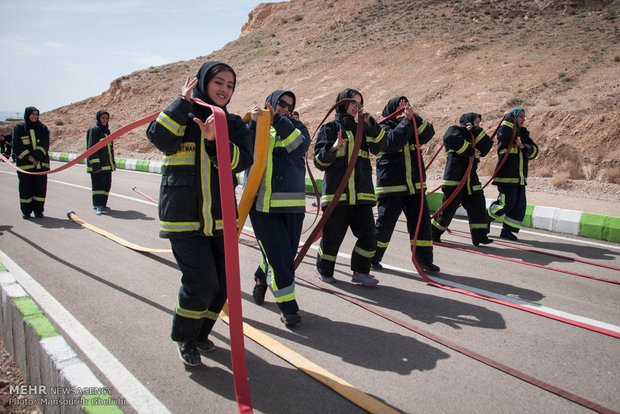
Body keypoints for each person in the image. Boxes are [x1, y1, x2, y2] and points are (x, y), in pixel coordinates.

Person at [146, 61, 253, 366]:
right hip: (184, 219)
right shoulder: (183, 115)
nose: (224, 89)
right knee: (201, 283)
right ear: (204, 82)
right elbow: (158, 138)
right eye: (219, 82)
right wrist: (182, 103)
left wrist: (212, 141)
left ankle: (200, 333)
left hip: (220, 220)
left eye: (230, 85)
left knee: (223, 284)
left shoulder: (232, 124)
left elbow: (241, 160)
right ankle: (184, 337)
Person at [247, 90, 311, 327]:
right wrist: (254, 124)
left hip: (293, 208)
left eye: (289, 105)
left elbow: (299, 147)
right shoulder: (254, 126)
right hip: (263, 207)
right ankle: (288, 307)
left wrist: (278, 120)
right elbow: (243, 151)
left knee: (283, 256)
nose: (284, 107)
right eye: (281, 104)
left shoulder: (297, 128)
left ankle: (260, 278)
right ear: (269, 104)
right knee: (280, 259)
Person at [313, 88, 386, 286]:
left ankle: (361, 271)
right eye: (353, 102)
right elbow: (319, 162)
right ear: (342, 103)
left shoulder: (362, 128)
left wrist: (371, 123)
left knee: (369, 236)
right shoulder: (329, 128)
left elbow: (380, 147)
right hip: (337, 197)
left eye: (359, 103)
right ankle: (323, 269)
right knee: (332, 239)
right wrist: (334, 147)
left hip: (362, 197)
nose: (357, 106)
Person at [371, 96, 440, 274]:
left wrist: (413, 118)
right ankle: (372, 257)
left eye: (406, 106)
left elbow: (429, 132)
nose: (403, 110)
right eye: (399, 107)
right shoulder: (383, 127)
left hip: (415, 187)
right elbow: (393, 143)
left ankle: (424, 261)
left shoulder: (411, 124)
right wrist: (406, 123)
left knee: (421, 225)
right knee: (384, 226)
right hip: (392, 188)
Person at [431, 113, 494, 246]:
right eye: (475, 123)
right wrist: (470, 150)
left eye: (478, 123)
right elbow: (449, 138)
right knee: (447, 211)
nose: (477, 125)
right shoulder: (455, 130)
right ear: (467, 122)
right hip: (455, 180)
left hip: (471, 181)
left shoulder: (476, 134)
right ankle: (433, 233)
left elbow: (487, 147)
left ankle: (480, 236)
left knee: (478, 207)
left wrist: (477, 131)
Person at [487, 108, 538, 240]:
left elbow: (535, 151)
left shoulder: (524, 134)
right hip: (506, 177)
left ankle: (507, 231)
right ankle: (483, 221)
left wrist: (524, 147)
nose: (523, 119)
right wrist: (508, 118)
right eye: (520, 116)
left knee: (518, 205)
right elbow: (505, 136)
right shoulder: (506, 130)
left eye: (524, 117)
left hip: (519, 179)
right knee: (506, 204)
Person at [12, 107, 49, 219]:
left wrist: (36, 157)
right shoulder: (19, 128)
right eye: (32, 114)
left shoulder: (43, 128)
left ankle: (38, 211)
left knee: (40, 189)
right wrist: (29, 157)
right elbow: (17, 145)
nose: (34, 116)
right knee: (25, 189)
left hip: (41, 165)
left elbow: (44, 144)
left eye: (36, 114)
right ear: (27, 115)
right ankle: (26, 211)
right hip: (25, 165)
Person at [86, 110, 115, 215]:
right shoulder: (94, 130)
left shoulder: (106, 131)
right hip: (98, 166)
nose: (105, 120)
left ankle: (103, 204)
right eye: (103, 118)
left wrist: (112, 164)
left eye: (106, 118)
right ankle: (97, 205)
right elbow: (92, 148)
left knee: (106, 186)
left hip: (107, 165)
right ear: (98, 118)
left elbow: (109, 149)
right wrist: (95, 165)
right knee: (98, 187)